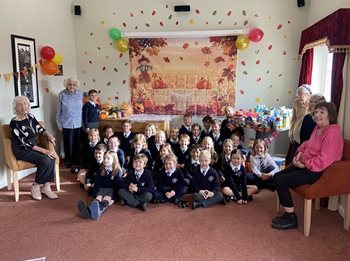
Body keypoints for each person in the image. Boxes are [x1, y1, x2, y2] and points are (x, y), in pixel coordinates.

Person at [272, 101, 343, 230]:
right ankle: (288, 212)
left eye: (322, 112)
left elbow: (324, 159)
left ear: (330, 115)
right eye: (315, 112)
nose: (317, 115)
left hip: (317, 171)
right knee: (277, 176)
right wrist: (299, 153)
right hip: (304, 164)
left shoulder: (332, 133)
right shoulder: (318, 128)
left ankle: (291, 217)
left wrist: (305, 164)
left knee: (281, 180)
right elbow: (308, 144)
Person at [10, 96, 58, 201]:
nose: (24, 106)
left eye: (26, 103)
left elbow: (39, 128)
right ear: (16, 108)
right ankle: (36, 186)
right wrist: (45, 151)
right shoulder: (14, 123)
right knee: (45, 159)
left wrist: (49, 135)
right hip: (22, 149)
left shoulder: (30, 117)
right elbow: (25, 143)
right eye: (20, 104)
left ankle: (46, 186)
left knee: (52, 157)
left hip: (33, 147)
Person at [77, 150, 123, 220]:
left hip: (111, 190)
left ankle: (98, 212)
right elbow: (97, 183)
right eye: (104, 158)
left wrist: (113, 198)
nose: (105, 160)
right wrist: (95, 194)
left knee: (105, 199)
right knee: (97, 199)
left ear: (114, 160)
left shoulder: (118, 171)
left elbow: (117, 186)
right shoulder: (100, 169)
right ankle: (88, 212)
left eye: (108, 158)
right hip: (101, 189)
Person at [56, 77, 83, 168]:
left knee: (77, 143)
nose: (72, 86)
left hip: (78, 123)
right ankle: (68, 160)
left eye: (74, 84)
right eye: (70, 84)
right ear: (66, 85)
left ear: (76, 85)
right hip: (66, 123)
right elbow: (58, 110)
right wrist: (59, 124)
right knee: (68, 143)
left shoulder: (80, 94)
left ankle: (76, 159)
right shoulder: (62, 94)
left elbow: (82, 109)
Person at [285, 84, 312, 165]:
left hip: (307, 136)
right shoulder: (296, 102)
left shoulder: (313, 104)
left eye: (301, 97)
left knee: (302, 158)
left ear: (309, 96)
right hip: (296, 134)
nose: (299, 99)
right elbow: (293, 118)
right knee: (294, 156)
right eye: (297, 96)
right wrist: (290, 132)